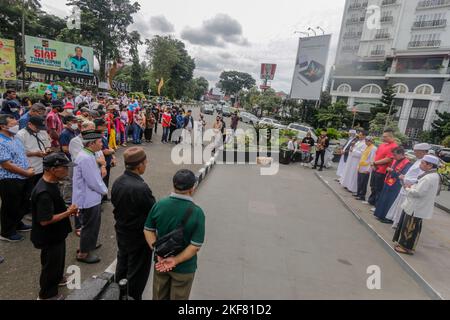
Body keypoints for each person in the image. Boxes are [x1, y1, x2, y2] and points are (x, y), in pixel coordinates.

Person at [144, 170, 205, 300]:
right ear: (192, 188)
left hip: (160, 263)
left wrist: (158, 252)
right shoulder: (197, 213)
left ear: (173, 185)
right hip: (184, 268)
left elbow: (148, 230)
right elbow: (195, 246)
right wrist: (175, 260)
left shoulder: (160, 205)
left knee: (159, 296)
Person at [31, 153, 78, 300]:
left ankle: (58, 278)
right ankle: (47, 295)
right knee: (50, 266)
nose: (67, 171)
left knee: (58, 261)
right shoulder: (44, 192)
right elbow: (45, 220)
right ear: (52, 169)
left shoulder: (52, 183)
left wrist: (65, 209)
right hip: (49, 236)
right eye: (64, 168)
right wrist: (68, 212)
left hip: (57, 234)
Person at [111, 147, 156, 300]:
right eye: (145, 162)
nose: (146, 164)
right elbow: (153, 211)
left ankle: (119, 294)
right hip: (138, 237)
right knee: (137, 274)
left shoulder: (118, 182)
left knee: (122, 265)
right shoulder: (141, 188)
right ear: (139, 166)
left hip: (122, 233)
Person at [393, 155, 442, 255]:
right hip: (419, 206)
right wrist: (413, 186)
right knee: (412, 227)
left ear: (429, 165)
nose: (420, 164)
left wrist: (407, 188)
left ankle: (406, 247)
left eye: (423, 163)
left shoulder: (428, 177)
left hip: (416, 207)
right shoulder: (433, 175)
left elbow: (418, 193)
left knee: (410, 227)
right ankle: (405, 245)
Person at [72, 130, 108, 264]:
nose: (101, 144)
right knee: (89, 226)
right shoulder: (86, 157)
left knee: (93, 224)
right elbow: (93, 181)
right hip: (88, 198)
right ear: (92, 143)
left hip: (91, 196)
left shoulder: (88, 154)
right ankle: (83, 253)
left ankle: (88, 245)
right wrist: (105, 191)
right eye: (99, 142)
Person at [0, 114, 35, 242]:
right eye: (13, 124)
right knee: (10, 206)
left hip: (24, 176)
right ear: (3, 126)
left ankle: (17, 223)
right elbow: (6, 164)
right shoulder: (1, 141)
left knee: (22, 203)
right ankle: (7, 232)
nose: (16, 126)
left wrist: (29, 168)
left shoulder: (15, 137)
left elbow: (22, 154)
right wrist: (26, 173)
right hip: (10, 179)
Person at [386, 143, 431, 228]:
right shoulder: (419, 160)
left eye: (416, 152)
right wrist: (405, 177)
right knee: (400, 207)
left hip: (411, 187)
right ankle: (397, 222)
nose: (415, 154)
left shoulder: (425, 163)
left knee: (404, 208)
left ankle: (400, 224)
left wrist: (406, 179)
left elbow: (421, 178)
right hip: (405, 186)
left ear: (422, 152)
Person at [16, 116, 52, 214]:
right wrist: (34, 153)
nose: (39, 130)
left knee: (40, 189)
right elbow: (19, 152)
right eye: (37, 127)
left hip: (43, 166)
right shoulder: (21, 134)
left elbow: (48, 144)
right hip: (30, 168)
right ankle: (27, 210)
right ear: (29, 124)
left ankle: (37, 207)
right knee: (28, 192)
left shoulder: (42, 132)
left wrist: (48, 149)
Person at [374, 147, 412, 223]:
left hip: (396, 185)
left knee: (390, 201)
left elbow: (403, 175)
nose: (393, 157)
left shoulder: (407, 163)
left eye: (395, 155)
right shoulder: (396, 160)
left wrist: (392, 171)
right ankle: (380, 214)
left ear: (401, 154)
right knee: (384, 198)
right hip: (389, 182)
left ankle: (387, 217)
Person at [367, 129, 398, 207]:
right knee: (373, 186)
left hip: (383, 171)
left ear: (391, 136)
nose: (383, 138)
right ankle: (371, 201)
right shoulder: (382, 144)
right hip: (375, 168)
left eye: (385, 137)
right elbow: (376, 155)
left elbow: (389, 159)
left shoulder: (394, 146)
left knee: (379, 189)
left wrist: (375, 163)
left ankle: (377, 206)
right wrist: (373, 164)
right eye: (383, 136)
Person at [94, 118, 116, 202]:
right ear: (98, 126)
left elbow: (107, 146)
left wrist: (113, 156)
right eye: (103, 125)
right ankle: (100, 200)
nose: (105, 127)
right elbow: (104, 151)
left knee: (106, 179)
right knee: (101, 180)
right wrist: (112, 151)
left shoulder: (102, 135)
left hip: (106, 161)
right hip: (102, 162)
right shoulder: (96, 137)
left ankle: (104, 197)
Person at [355, 136, 377, 201]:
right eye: (365, 141)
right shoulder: (367, 147)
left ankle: (362, 196)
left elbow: (372, 159)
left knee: (363, 182)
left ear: (370, 141)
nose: (365, 142)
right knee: (359, 181)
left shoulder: (373, 148)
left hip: (366, 168)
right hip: (361, 166)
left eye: (367, 141)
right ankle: (358, 193)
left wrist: (368, 170)